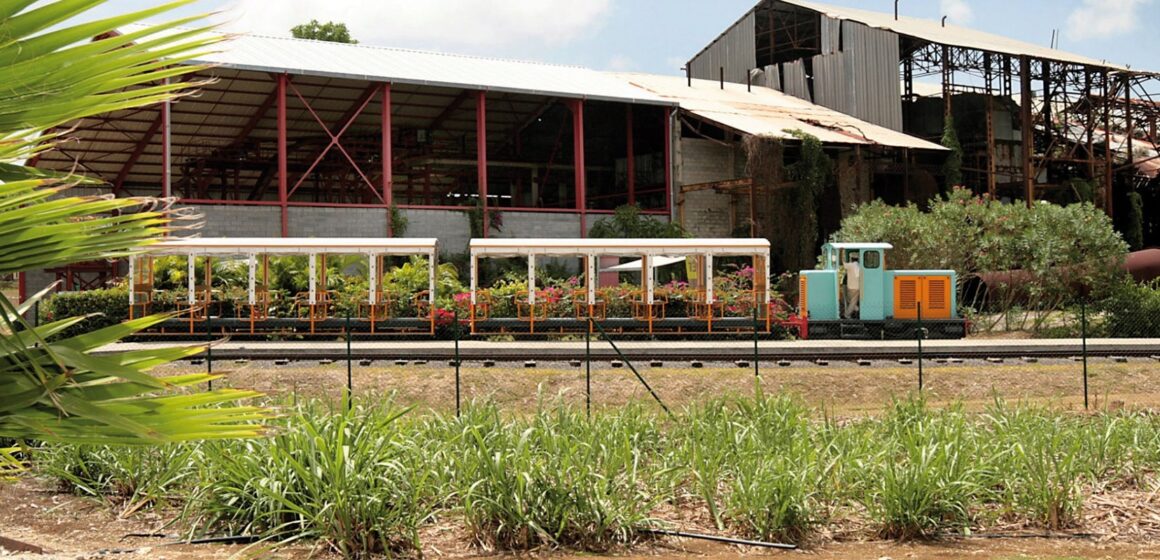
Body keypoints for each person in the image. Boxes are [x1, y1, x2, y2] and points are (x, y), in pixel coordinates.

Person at [843, 253, 862, 319]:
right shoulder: (859, 266)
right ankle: (857, 309)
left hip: (850, 286)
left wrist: (841, 253)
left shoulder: (850, 265)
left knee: (851, 301)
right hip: (857, 287)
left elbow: (843, 264)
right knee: (852, 301)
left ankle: (847, 314)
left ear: (851, 259)